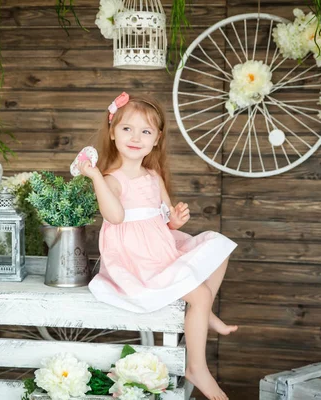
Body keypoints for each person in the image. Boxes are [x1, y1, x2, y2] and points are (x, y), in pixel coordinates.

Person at [78, 92, 238, 400]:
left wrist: (175, 221)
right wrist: (95, 175)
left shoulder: (153, 175)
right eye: (127, 129)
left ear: (156, 139)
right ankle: (196, 367)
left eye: (146, 131)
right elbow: (115, 215)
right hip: (136, 258)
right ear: (112, 133)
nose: (136, 137)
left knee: (219, 247)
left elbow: (164, 219)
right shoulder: (112, 179)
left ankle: (203, 311)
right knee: (200, 293)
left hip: (161, 246)